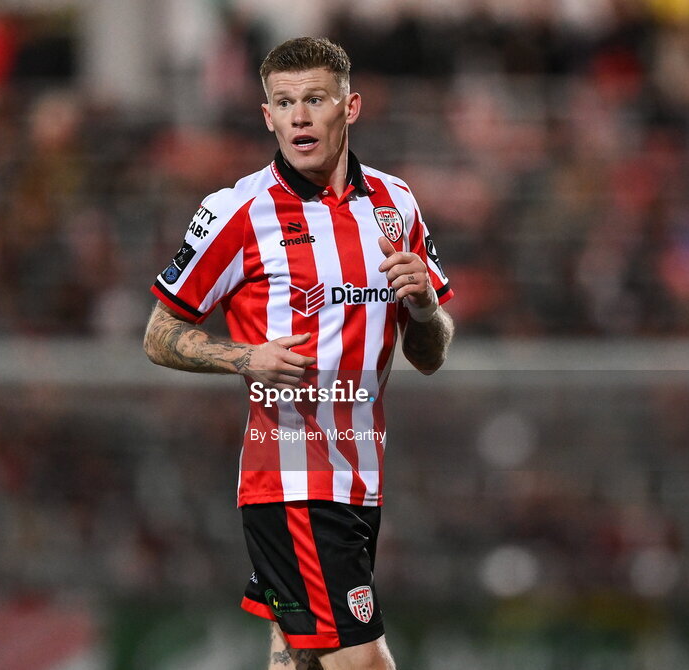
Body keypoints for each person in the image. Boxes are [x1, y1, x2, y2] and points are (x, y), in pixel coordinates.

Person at [143, 37, 454, 670]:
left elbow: (431, 354)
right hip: (291, 480)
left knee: (296, 660)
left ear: (351, 106)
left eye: (315, 99)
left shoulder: (396, 205)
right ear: (267, 117)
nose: (300, 117)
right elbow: (158, 333)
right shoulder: (237, 211)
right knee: (364, 663)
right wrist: (245, 358)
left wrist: (423, 305)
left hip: (362, 479)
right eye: (284, 103)